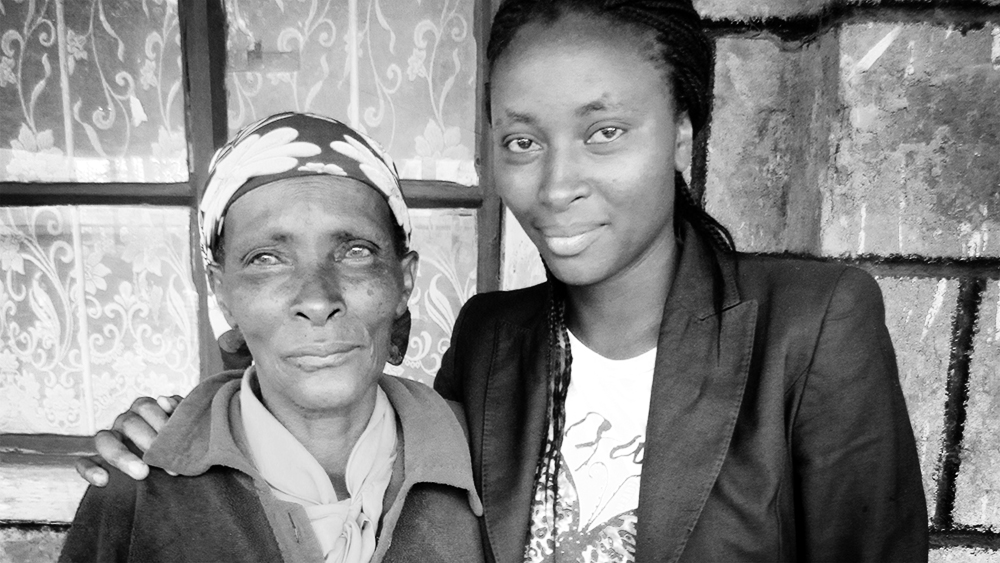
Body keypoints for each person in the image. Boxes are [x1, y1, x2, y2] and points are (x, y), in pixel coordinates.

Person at [75, 1, 929, 561]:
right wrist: (190, 427)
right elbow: (330, 387)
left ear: (680, 128)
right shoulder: (492, 338)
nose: (555, 185)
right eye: (521, 142)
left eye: (604, 132)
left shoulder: (811, 325)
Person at [60, 112, 484, 563]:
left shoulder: (486, 461)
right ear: (222, 294)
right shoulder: (140, 485)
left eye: (356, 252)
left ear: (403, 281)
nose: (318, 300)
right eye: (267, 259)